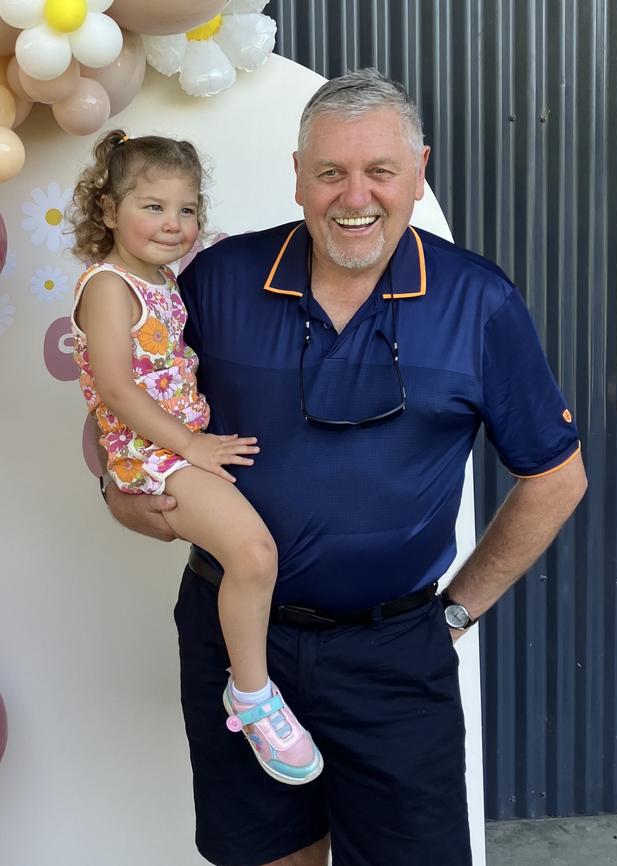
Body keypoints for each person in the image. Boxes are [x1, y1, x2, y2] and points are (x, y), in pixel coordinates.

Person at [100, 70, 587, 866]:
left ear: (418, 172)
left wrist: (455, 615)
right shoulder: (216, 283)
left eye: (379, 172)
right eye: (330, 172)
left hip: (395, 654)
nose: (352, 196)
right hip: (235, 642)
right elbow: (128, 402)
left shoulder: (478, 300)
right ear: (298, 175)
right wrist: (119, 496)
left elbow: (557, 476)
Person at [68, 129, 323, 787]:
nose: (172, 223)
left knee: (258, 552)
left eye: (186, 209)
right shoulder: (108, 285)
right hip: (152, 455)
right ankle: (253, 694)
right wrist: (190, 446)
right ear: (108, 211)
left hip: (176, 446)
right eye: (152, 206)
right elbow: (118, 388)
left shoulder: (163, 279)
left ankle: (259, 681)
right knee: (254, 554)